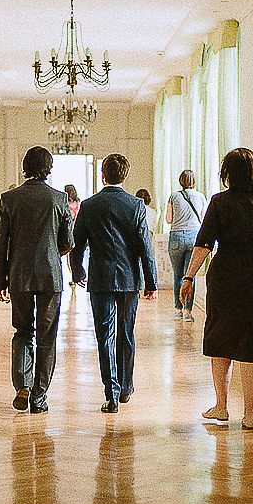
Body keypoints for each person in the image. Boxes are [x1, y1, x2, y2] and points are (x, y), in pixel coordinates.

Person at [179, 148, 253, 430]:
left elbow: (204, 244)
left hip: (226, 279)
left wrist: (188, 277)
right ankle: (250, 414)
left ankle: (222, 406)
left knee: (220, 342)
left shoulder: (219, 203)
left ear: (227, 173)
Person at [69, 153, 157, 414]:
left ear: (103, 175)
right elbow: (145, 247)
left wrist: (77, 272)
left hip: (101, 279)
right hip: (130, 279)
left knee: (104, 335)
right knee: (126, 333)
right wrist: (151, 281)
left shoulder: (89, 205)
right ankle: (127, 386)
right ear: (125, 176)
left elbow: (77, 245)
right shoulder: (136, 205)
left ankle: (112, 393)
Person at [0, 148, 74, 414]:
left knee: (23, 331)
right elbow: (68, 243)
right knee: (47, 337)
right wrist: (52, 252)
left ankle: (22, 387)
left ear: (24, 167)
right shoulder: (60, 200)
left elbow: (0, 244)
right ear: (48, 169)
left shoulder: (8, 199)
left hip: (19, 275)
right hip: (51, 276)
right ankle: (39, 398)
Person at [164, 170, 207, 322]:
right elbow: (203, 220)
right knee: (189, 276)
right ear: (194, 181)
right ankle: (188, 311)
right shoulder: (201, 197)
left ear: (181, 180)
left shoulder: (174, 196)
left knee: (178, 275)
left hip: (176, 236)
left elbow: (169, 219)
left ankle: (178, 309)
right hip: (194, 237)